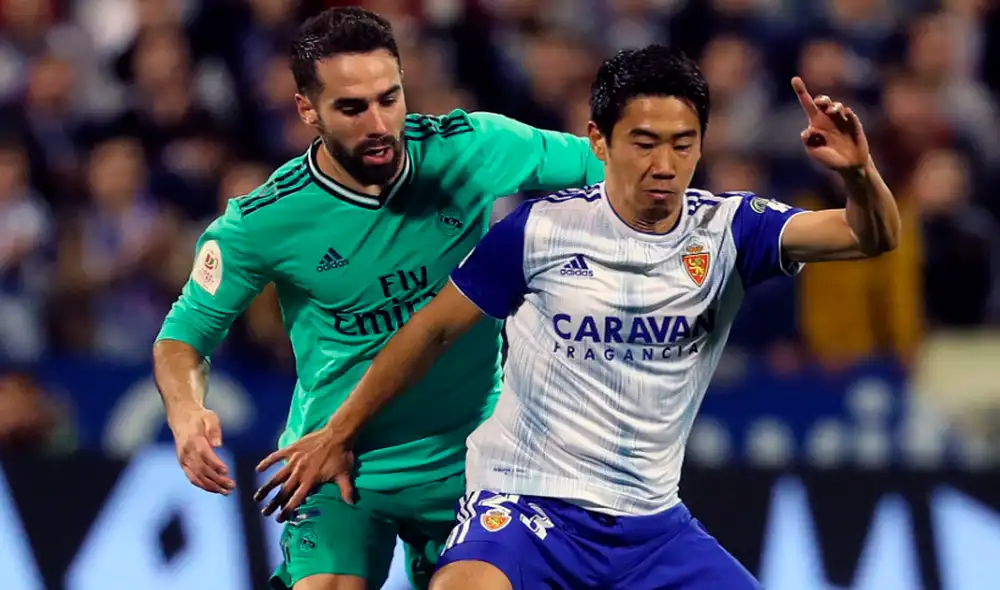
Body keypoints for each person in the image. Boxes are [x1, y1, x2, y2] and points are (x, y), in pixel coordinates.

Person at [254, 45, 900, 590]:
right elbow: (432, 331)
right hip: (526, 503)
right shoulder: (538, 231)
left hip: (651, 524)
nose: (664, 165)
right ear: (599, 140)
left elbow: (868, 237)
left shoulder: (731, 230)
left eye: (683, 144)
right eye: (644, 143)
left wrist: (861, 174)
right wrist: (339, 431)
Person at [153, 7, 604, 590]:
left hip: (471, 460)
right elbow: (183, 338)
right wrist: (187, 413)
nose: (380, 123)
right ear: (306, 110)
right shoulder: (264, 220)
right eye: (352, 107)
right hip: (337, 457)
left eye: (390, 98)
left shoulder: (471, 150)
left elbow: (614, 167)